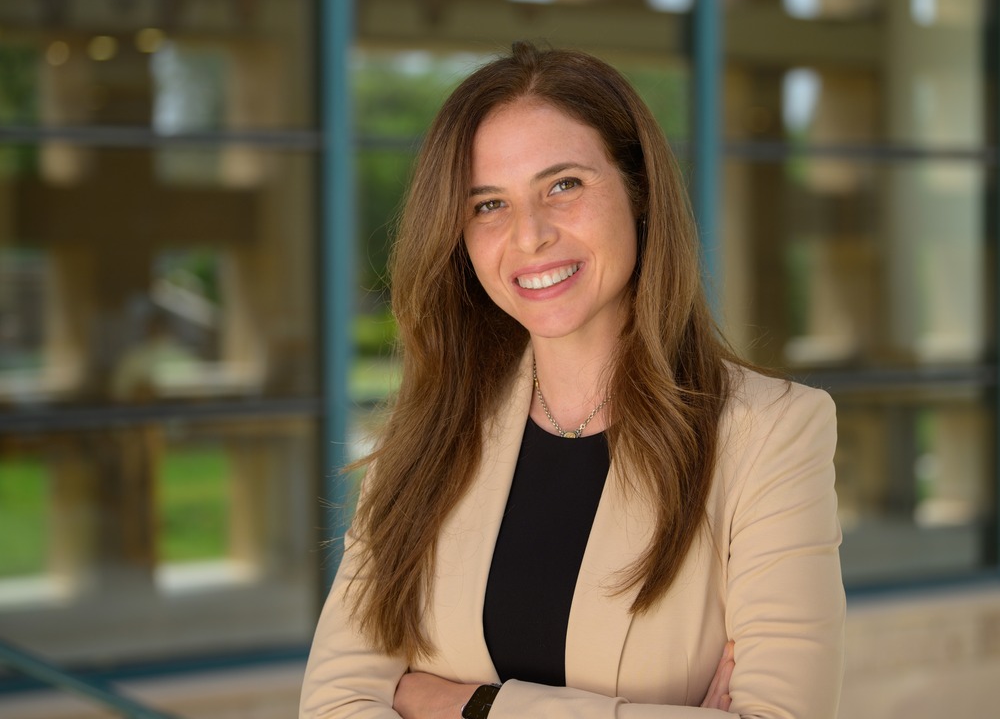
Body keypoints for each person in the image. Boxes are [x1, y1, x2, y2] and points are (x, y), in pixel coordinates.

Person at [300, 41, 845, 718]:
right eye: (488, 205)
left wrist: (466, 706)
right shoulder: (430, 437)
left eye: (564, 186)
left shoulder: (771, 433)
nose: (529, 236)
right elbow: (333, 703)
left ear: (639, 193)